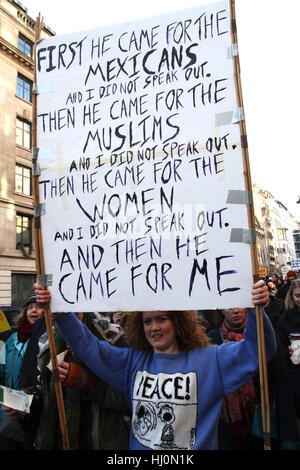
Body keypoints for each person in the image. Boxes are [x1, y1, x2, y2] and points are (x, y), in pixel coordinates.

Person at [33, 280, 277, 450]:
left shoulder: (211, 360)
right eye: (148, 321)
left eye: (162, 319)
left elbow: (258, 350)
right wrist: (60, 310)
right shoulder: (132, 362)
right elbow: (88, 346)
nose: (154, 327)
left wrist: (256, 308)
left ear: (180, 322)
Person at [11, 311, 131, 450]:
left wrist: (88, 382)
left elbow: (131, 396)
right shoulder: (47, 340)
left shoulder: (113, 337)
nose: (49, 310)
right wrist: (26, 402)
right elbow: (44, 392)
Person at [209, 307, 299, 450]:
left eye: (239, 305)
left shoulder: (265, 336)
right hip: (226, 431)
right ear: (221, 310)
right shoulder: (211, 340)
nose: (236, 311)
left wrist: (289, 434)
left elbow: (281, 381)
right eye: (230, 307)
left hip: (263, 425)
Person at [0, 293, 44, 450]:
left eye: (38, 307)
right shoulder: (12, 338)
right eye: (30, 307)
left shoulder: (46, 339)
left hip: (33, 409)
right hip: (9, 407)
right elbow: (2, 368)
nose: (34, 310)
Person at [277, 279, 300, 438]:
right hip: (295, 377)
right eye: (298, 296)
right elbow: (279, 349)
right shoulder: (284, 320)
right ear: (291, 296)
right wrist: (288, 351)